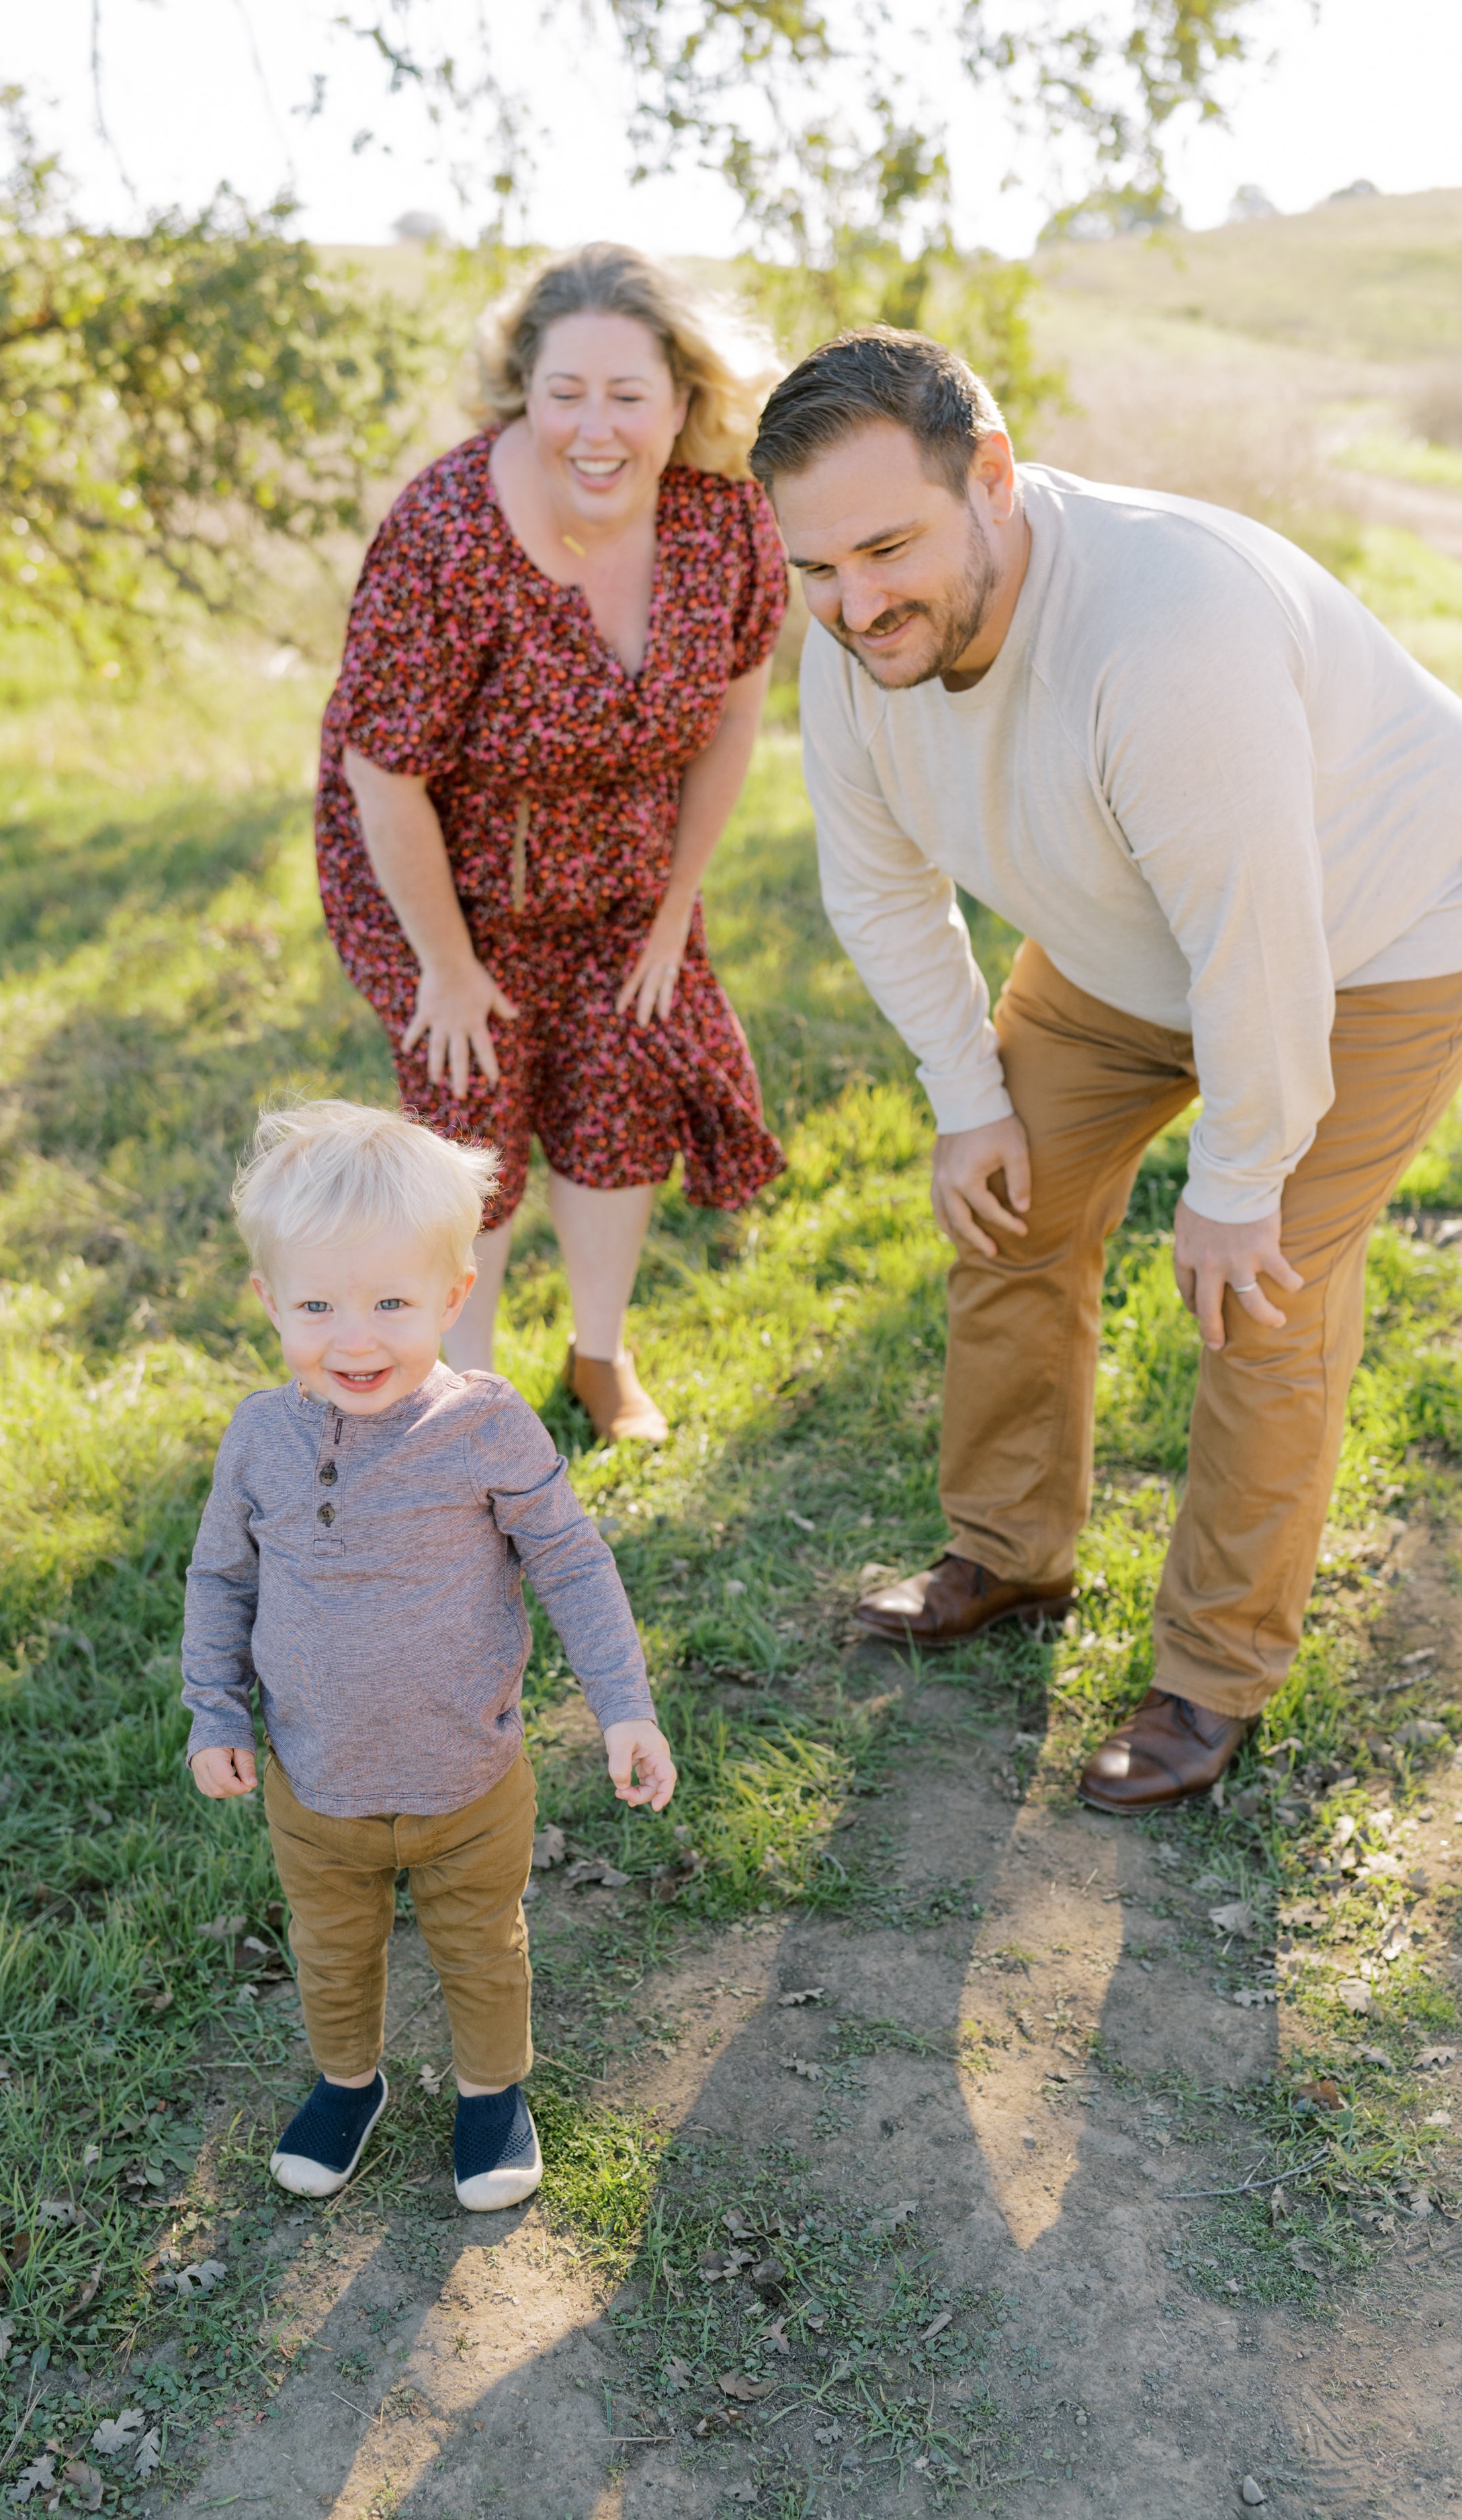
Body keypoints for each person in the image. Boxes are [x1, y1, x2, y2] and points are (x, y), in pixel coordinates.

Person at [751, 327, 1462, 1815]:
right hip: (1115, 944)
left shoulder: (1164, 630)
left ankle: (1210, 1676)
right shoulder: (852, 638)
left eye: (886, 546)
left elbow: (1258, 939)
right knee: (1009, 1207)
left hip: (1363, 943)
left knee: (1255, 1298)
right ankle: (1008, 1553)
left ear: (991, 480)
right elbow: (879, 891)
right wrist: (965, 1101)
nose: (854, 600)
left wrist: (1238, 1181)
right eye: (816, 568)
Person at [316, 242, 789, 1444]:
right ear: (523, 389)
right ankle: (461, 1399)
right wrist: (447, 962)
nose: (595, 427)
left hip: (628, 865)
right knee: (470, 1117)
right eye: (564, 391)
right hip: (450, 877)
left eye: (628, 395)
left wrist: (679, 905)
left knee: (622, 1089)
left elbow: (736, 710)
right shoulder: (448, 528)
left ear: (684, 401)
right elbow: (383, 768)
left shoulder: (723, 519)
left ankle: (599, 1356)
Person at [181, 1099, 676, 2206]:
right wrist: (215, 1709)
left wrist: (624, 1706)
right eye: (317, 1304)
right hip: (317, 1781)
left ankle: (491, 2094)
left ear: (456, 1295)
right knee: (332, 1946)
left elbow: (572, 1564)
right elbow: (221, 1581)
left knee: (481, 1946)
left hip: (469, 1778)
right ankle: (349, 2081)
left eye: (392, 1303)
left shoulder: (487, 1426)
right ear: (268, 1300)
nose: (354, 1339)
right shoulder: (261, 1438)